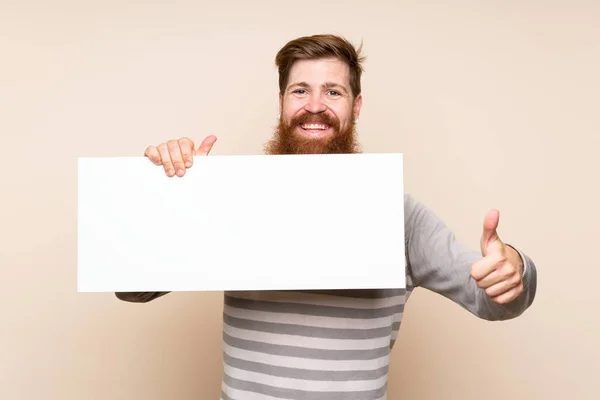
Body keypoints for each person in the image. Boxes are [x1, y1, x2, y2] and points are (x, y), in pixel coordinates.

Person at [116, 34, 537, 400]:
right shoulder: (233, 198)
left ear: (356, 106)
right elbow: (131, 288)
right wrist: (169, 200)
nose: (314, 106)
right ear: (281, 103)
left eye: (332, 92)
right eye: (300, 91)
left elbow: (493, 302)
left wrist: (513, 269)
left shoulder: (399, 214)